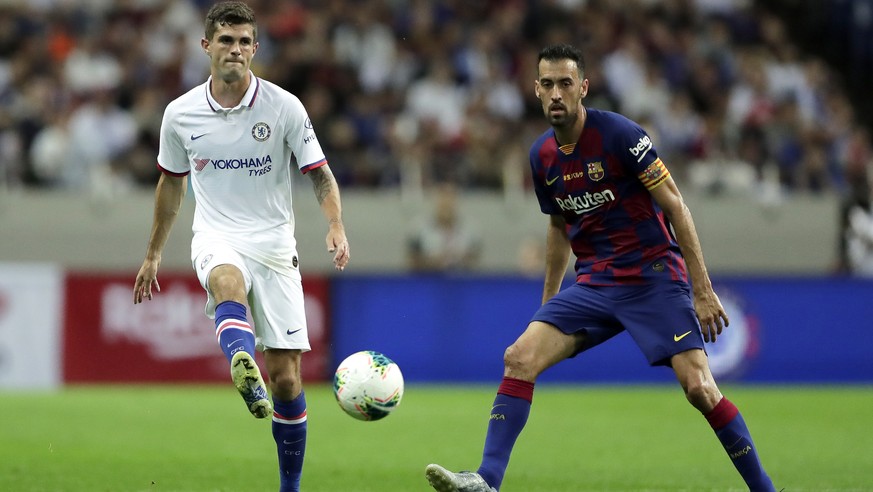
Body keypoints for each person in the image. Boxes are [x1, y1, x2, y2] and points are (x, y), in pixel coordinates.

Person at [425, 44, 776, 491]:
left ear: (583, 88)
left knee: (700, 389)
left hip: (653, 277)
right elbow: (558, 227)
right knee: (519, 358)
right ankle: (486, 480)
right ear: (535, 90)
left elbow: (676, 205)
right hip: (595, 283)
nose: (556, 93)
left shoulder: (619, 135)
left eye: (565, 84)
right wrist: (549, 303)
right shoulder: (542, 157)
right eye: (547, 84)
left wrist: (701, 288)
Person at [132, 3, 349, 492]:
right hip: (217, 234)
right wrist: (153, 253)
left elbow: (320, 175)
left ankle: (288, 487)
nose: (235, 49)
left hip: (274, 245)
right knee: (224, 280)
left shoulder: (284, 106)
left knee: (289, 380)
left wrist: (335, 225)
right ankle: (240, 356)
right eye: (226, 40)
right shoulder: (180, 113)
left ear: (256, 48)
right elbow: (170, 187)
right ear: (206, 46)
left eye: (244, 41)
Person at [407, 181, 482, 272]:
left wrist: (460, 258)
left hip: (461, 281)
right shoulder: (418, 228)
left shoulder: (470, 228)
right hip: (428, 280)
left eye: (450, 198)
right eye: (442, 198)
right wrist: (433, 262)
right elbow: (411, 260)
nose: (446, 203)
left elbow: (476, 260)